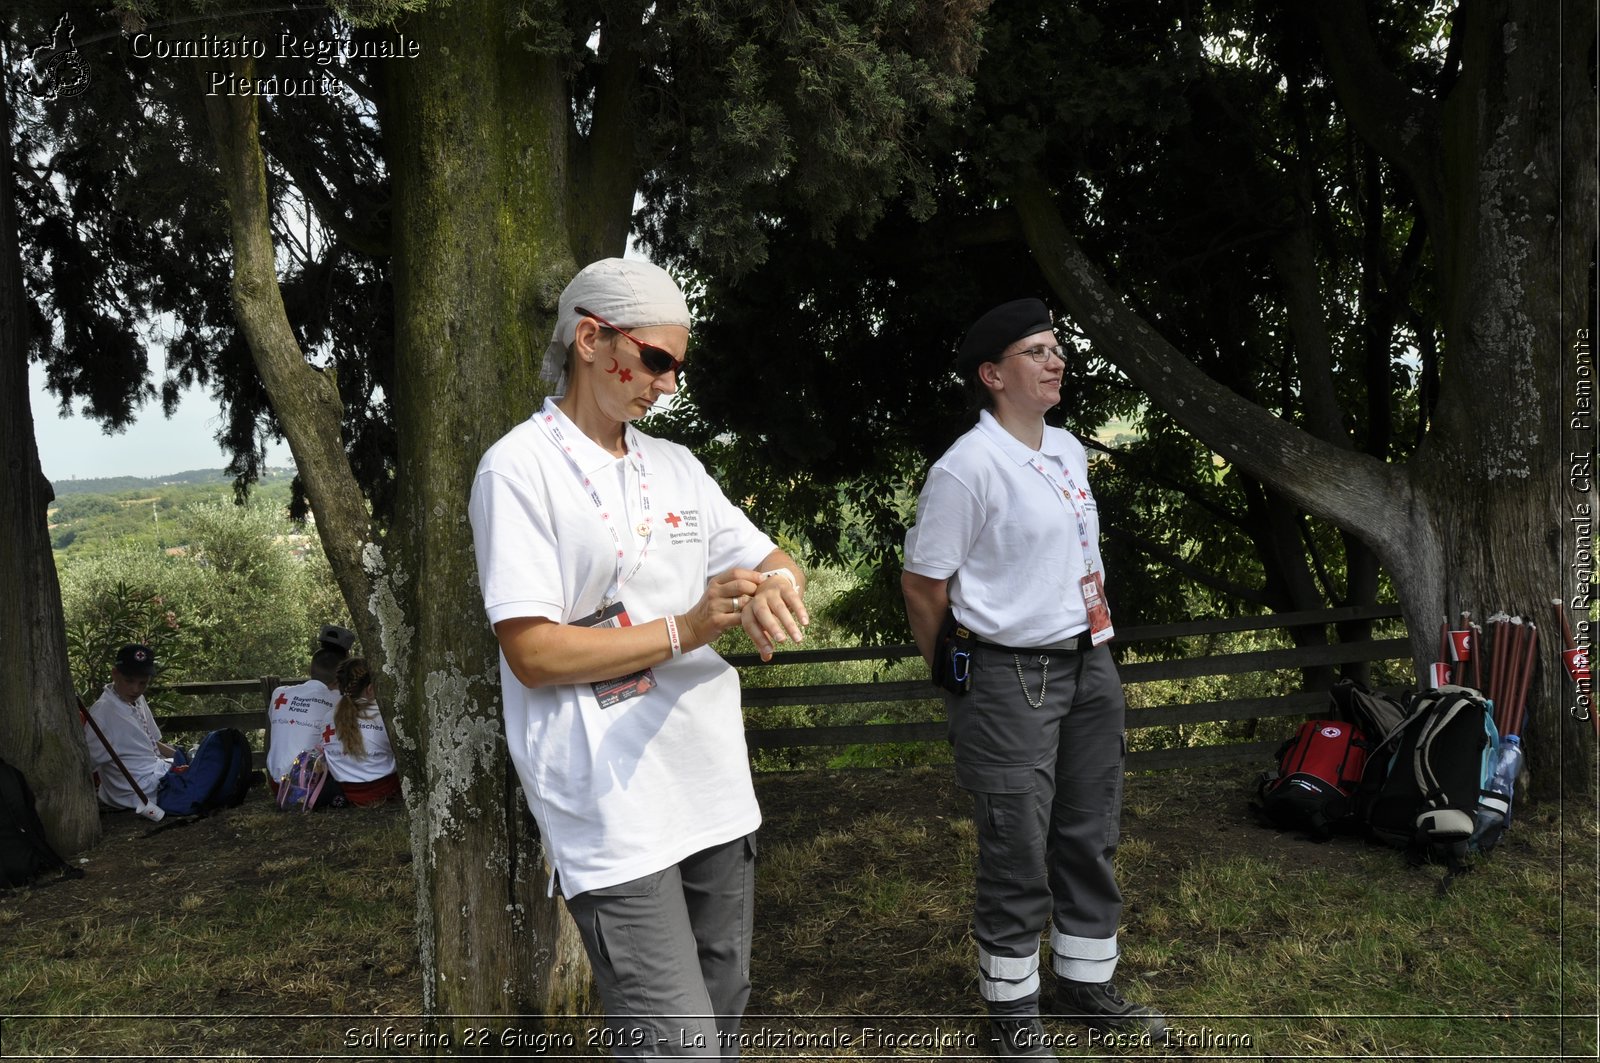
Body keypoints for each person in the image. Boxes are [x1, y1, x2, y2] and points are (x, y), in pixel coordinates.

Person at [468, 257, 809, 1059]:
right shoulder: (516, 469)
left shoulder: (676, 466)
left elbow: (773, 553)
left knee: (720, 1025)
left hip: (713, 787)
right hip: (612, 805)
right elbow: (532, 650)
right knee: (677, 1046)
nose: (666, 384)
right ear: (591, 339)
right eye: (655, 360)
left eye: (677, 368)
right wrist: (684, 629)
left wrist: (774, 586)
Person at [900, 298, 1162, 1057]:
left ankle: (1085, 980)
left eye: (1057, 347)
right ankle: (1012, 1013)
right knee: (1016, 845)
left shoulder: (1069, 449)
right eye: (1037, 351)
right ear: (993, 375)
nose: (1057, 360)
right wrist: (956, 672)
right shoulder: (966, 468)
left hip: (1089, 663)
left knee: (1089, 829)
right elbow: (924, 585)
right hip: (1010, 676)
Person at [82, 643, 251, 816]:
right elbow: (84, 762)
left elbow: (153, 743)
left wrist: (185, 760)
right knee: (215, 756)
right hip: (144, 791)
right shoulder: (102, 713)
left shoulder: (135, 699)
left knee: (208, 759)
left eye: (143, 683)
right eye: (129, 681)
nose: (135, 689)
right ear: (115, 674)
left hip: (158, 774)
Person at [264, 624, 354, 795]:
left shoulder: (279, 694)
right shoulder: (339, 701)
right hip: (307, 784)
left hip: (276, 785)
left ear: (310, 670)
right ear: (339, 678)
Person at [323, 657, 400, 805]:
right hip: (384, 789)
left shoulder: (328, 716)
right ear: (370, 689)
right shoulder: (385, 716)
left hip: (345, 791)